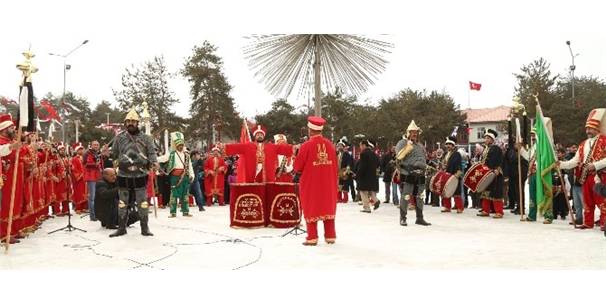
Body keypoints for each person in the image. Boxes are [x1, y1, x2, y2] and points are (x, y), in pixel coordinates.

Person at [109, 108, 158, 237]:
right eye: (128, 121)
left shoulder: (146, 138)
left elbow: (152, 153)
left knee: (142, 202)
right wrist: (115, 163)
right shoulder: (119, 138)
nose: (131, 123)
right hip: (123, 174)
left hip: (140, 174)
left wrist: (154, 162)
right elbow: (114, 153)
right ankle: (121, 228)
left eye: (133, 121)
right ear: (125, 123)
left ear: (137, 123)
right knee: (122, 202)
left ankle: (144, 228)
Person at [293, 116, 338, 246]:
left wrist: (296, 153)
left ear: (310, 130)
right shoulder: (330, 144)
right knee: (327, 207)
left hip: (311, 184)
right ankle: (330, 236)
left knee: (311, 207)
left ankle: (312, 237)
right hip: (328, 183)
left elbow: (297, 167)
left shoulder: (306, 146)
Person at [558, 108, 606, 230]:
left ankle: (604, 223)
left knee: (602, 200)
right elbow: (574, 161)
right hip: (585, 176)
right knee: (587, 201)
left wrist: (595, 165)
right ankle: (588, 222)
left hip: (599, 176)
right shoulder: (583, 144)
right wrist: (561, 164)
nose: (588, 131)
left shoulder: (604, 141)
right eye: (587, 128)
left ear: (597, 128)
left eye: (590, 128)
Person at [224, 125, 293, 183]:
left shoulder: (270, 146)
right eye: (258, 134)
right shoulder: (248, 145)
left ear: (263, 136)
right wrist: (225, 147)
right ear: (255, 136)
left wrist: (294, 148)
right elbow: (236, 147)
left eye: (261, 134)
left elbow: (282, 148)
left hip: (265, 172)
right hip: (253, 170)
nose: (259, 136)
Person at [395, 120, 431, 226]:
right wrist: (408, 146)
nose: (414, 134)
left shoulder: (420, 145)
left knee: (420, 196)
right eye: (412, 132)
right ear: (408, 132)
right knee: (406, 195)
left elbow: (423, 158)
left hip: (420, 173)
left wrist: (427, 166)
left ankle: (419, 218)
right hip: (407, 172)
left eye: (416, 132)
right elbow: (399, 156)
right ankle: (403, 218)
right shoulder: (402, 142)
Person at [0, 113, 27, 244]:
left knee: (16, 202)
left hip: (16, 176)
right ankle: (4, 233)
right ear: (4, 129)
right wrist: (12, 147)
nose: (14, 130)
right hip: (6, 178)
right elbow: (2, 151)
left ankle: (14, 230)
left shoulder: (11, 141)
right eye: (11, 128)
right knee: (7, 204)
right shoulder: (1, 141)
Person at [163, 132, 194, 217]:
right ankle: (173, 212)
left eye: (181, 144)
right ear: (176, 145)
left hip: (185, 177)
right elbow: (163, 158)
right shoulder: (171, 154)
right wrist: (154, 159)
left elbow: (190, 166)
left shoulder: (187, 155)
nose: (180, 146)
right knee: (174, 194)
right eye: (179, 145)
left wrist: (192, 175)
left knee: (185, 194)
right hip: (175, 177)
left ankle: (185, 211)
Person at [477, 129, 505, 219]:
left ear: (492, 139)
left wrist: (498, 169)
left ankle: (499, 212)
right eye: (485, 138)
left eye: (488, 138)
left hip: (495, 173)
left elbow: (501, 160)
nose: (486, 139)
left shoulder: (496, 148)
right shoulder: (486, 149)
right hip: (487, 173)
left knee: (496, 193)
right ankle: (485, 210)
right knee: (486, 192)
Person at [440, 136, 464, 213]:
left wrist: (457, 175)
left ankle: (459, 207)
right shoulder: (445, 154)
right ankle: (447, 207)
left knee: (456, 192)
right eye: (447, 144)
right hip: (446, 175)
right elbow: (444, 163)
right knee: (446, 191)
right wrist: (442, 167)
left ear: (453, 145)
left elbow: (458, 165)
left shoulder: (457, 154)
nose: (448, 146)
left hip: (454, 175)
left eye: (450, 144)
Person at [357, 139, 380, 213]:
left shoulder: (363, 154)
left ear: (364, 145)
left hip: (364, 176)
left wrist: (358, 174)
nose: (360, 147)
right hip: (372, 175)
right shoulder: (373, 153)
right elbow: (377, 163)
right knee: (370, 190)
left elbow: (362, 166)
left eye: (360, 145)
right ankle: (376, 201)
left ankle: (366, 207)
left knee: (363, 192)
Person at [83, 140, 102, 221]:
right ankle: (92, 216)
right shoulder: (87, 153)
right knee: (92, 197)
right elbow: (85, 164)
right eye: (94, 145)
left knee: (98, 196)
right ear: (91, 145)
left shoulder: (97, 153)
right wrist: (95, 164)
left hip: (98, 176)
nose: (96, 146)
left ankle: (98, 214)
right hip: (91, 177)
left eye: (97, 145)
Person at [70, 143, 87, 213]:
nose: (82, 151)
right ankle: (78, 208)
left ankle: (83, 207)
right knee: (78, 193)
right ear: (77, 151)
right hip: (78, 179)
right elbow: (73, 169)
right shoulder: (74, 159)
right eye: (80, 150)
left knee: (84, 192)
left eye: (82, 149)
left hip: (84, 178)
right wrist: (79, 175)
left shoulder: (84, 158)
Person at [336, 138, 354, 203]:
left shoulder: (347, 154)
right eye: (338, 146)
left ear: (343, 147)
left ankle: (345, 198)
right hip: (337, 171)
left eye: (341, 146)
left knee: (345, 185)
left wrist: (347, 169)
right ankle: (339, 198)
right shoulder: (336, 154)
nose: (339, 147)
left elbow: (349, 162)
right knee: (338, 185)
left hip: (344, 171)